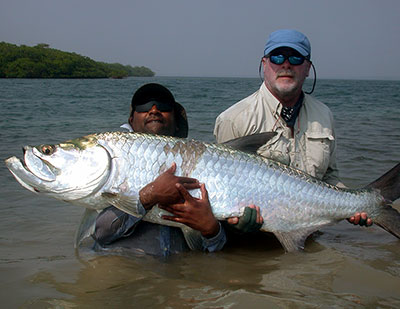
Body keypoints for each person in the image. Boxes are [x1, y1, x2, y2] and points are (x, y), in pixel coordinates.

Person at [214, 29, 371, 227]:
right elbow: (221, 194)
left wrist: (353, 204)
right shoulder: (233, 119)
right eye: (277, 57)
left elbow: (329, 177)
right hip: (253, 246)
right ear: (264, 64)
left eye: (295, 58)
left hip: (309, 234)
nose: (286, 64)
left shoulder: (324, 115)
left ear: (308, 68)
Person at [92, 83, 261, 256]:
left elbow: (213, 251)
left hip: (180, 277)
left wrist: (211, 229)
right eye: (143, 105)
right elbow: (100, 234)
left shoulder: (206, 162)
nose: (154, 110)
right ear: (131, 121)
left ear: (177, 121)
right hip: (125, 273)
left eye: (164, 106)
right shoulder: (116, 163)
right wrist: (148, 197)